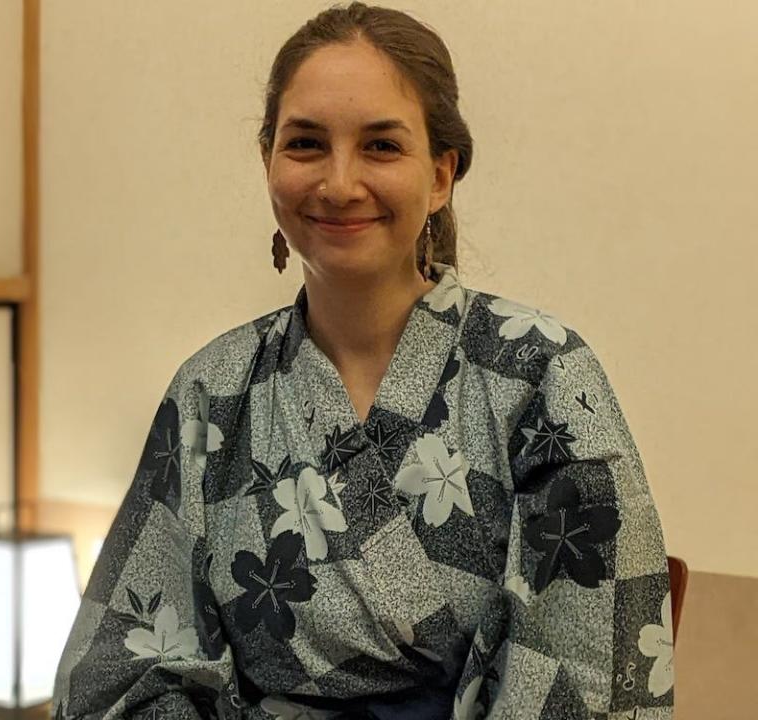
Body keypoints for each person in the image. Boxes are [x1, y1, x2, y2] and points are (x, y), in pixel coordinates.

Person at [51, 3, 674, 718]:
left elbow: (589, 681)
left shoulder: (541, 375)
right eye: (307, 144)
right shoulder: (213, 391)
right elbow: (124, 672)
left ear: (441, 176)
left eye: (381, 146)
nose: (340, 183)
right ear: (268, 162)